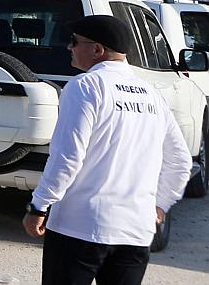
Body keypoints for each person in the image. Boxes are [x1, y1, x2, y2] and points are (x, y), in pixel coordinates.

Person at [24, 15, 191, 285]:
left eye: (74, 42)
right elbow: (181, 160)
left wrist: (39, 206)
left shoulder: (85, 86)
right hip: (135, 230)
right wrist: (161, 204)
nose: (69, 48)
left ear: (97, 50)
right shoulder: (151, 94)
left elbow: (67, 158)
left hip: (80, 228)